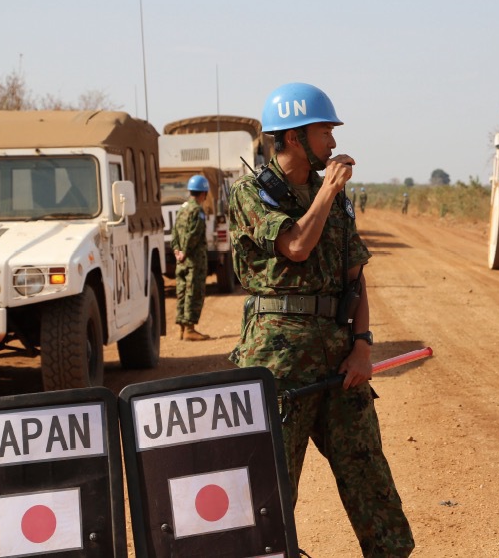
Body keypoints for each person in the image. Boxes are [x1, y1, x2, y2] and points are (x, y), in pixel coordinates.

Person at [228, 82, 414, 557]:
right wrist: (328, 191)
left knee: (367, 470)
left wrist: (363, 345)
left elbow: (356, 278)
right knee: (271, 483)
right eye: (324, 131)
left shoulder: (337, 199)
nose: (333, 142)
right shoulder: (251, 194)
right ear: (294, 137)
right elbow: (295, 246)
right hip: (278, 360)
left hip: (339, 355)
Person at [171, 174, 210, 341]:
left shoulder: (183, 208)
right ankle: (189, 329)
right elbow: (194, 234)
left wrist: (177, 250)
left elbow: (175, 231)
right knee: (193, 292)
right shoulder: (197, 210)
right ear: (204, 193)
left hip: (181, 260)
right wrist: (186, 251)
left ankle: (182, 328)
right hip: (193, 260)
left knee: (181, 291)